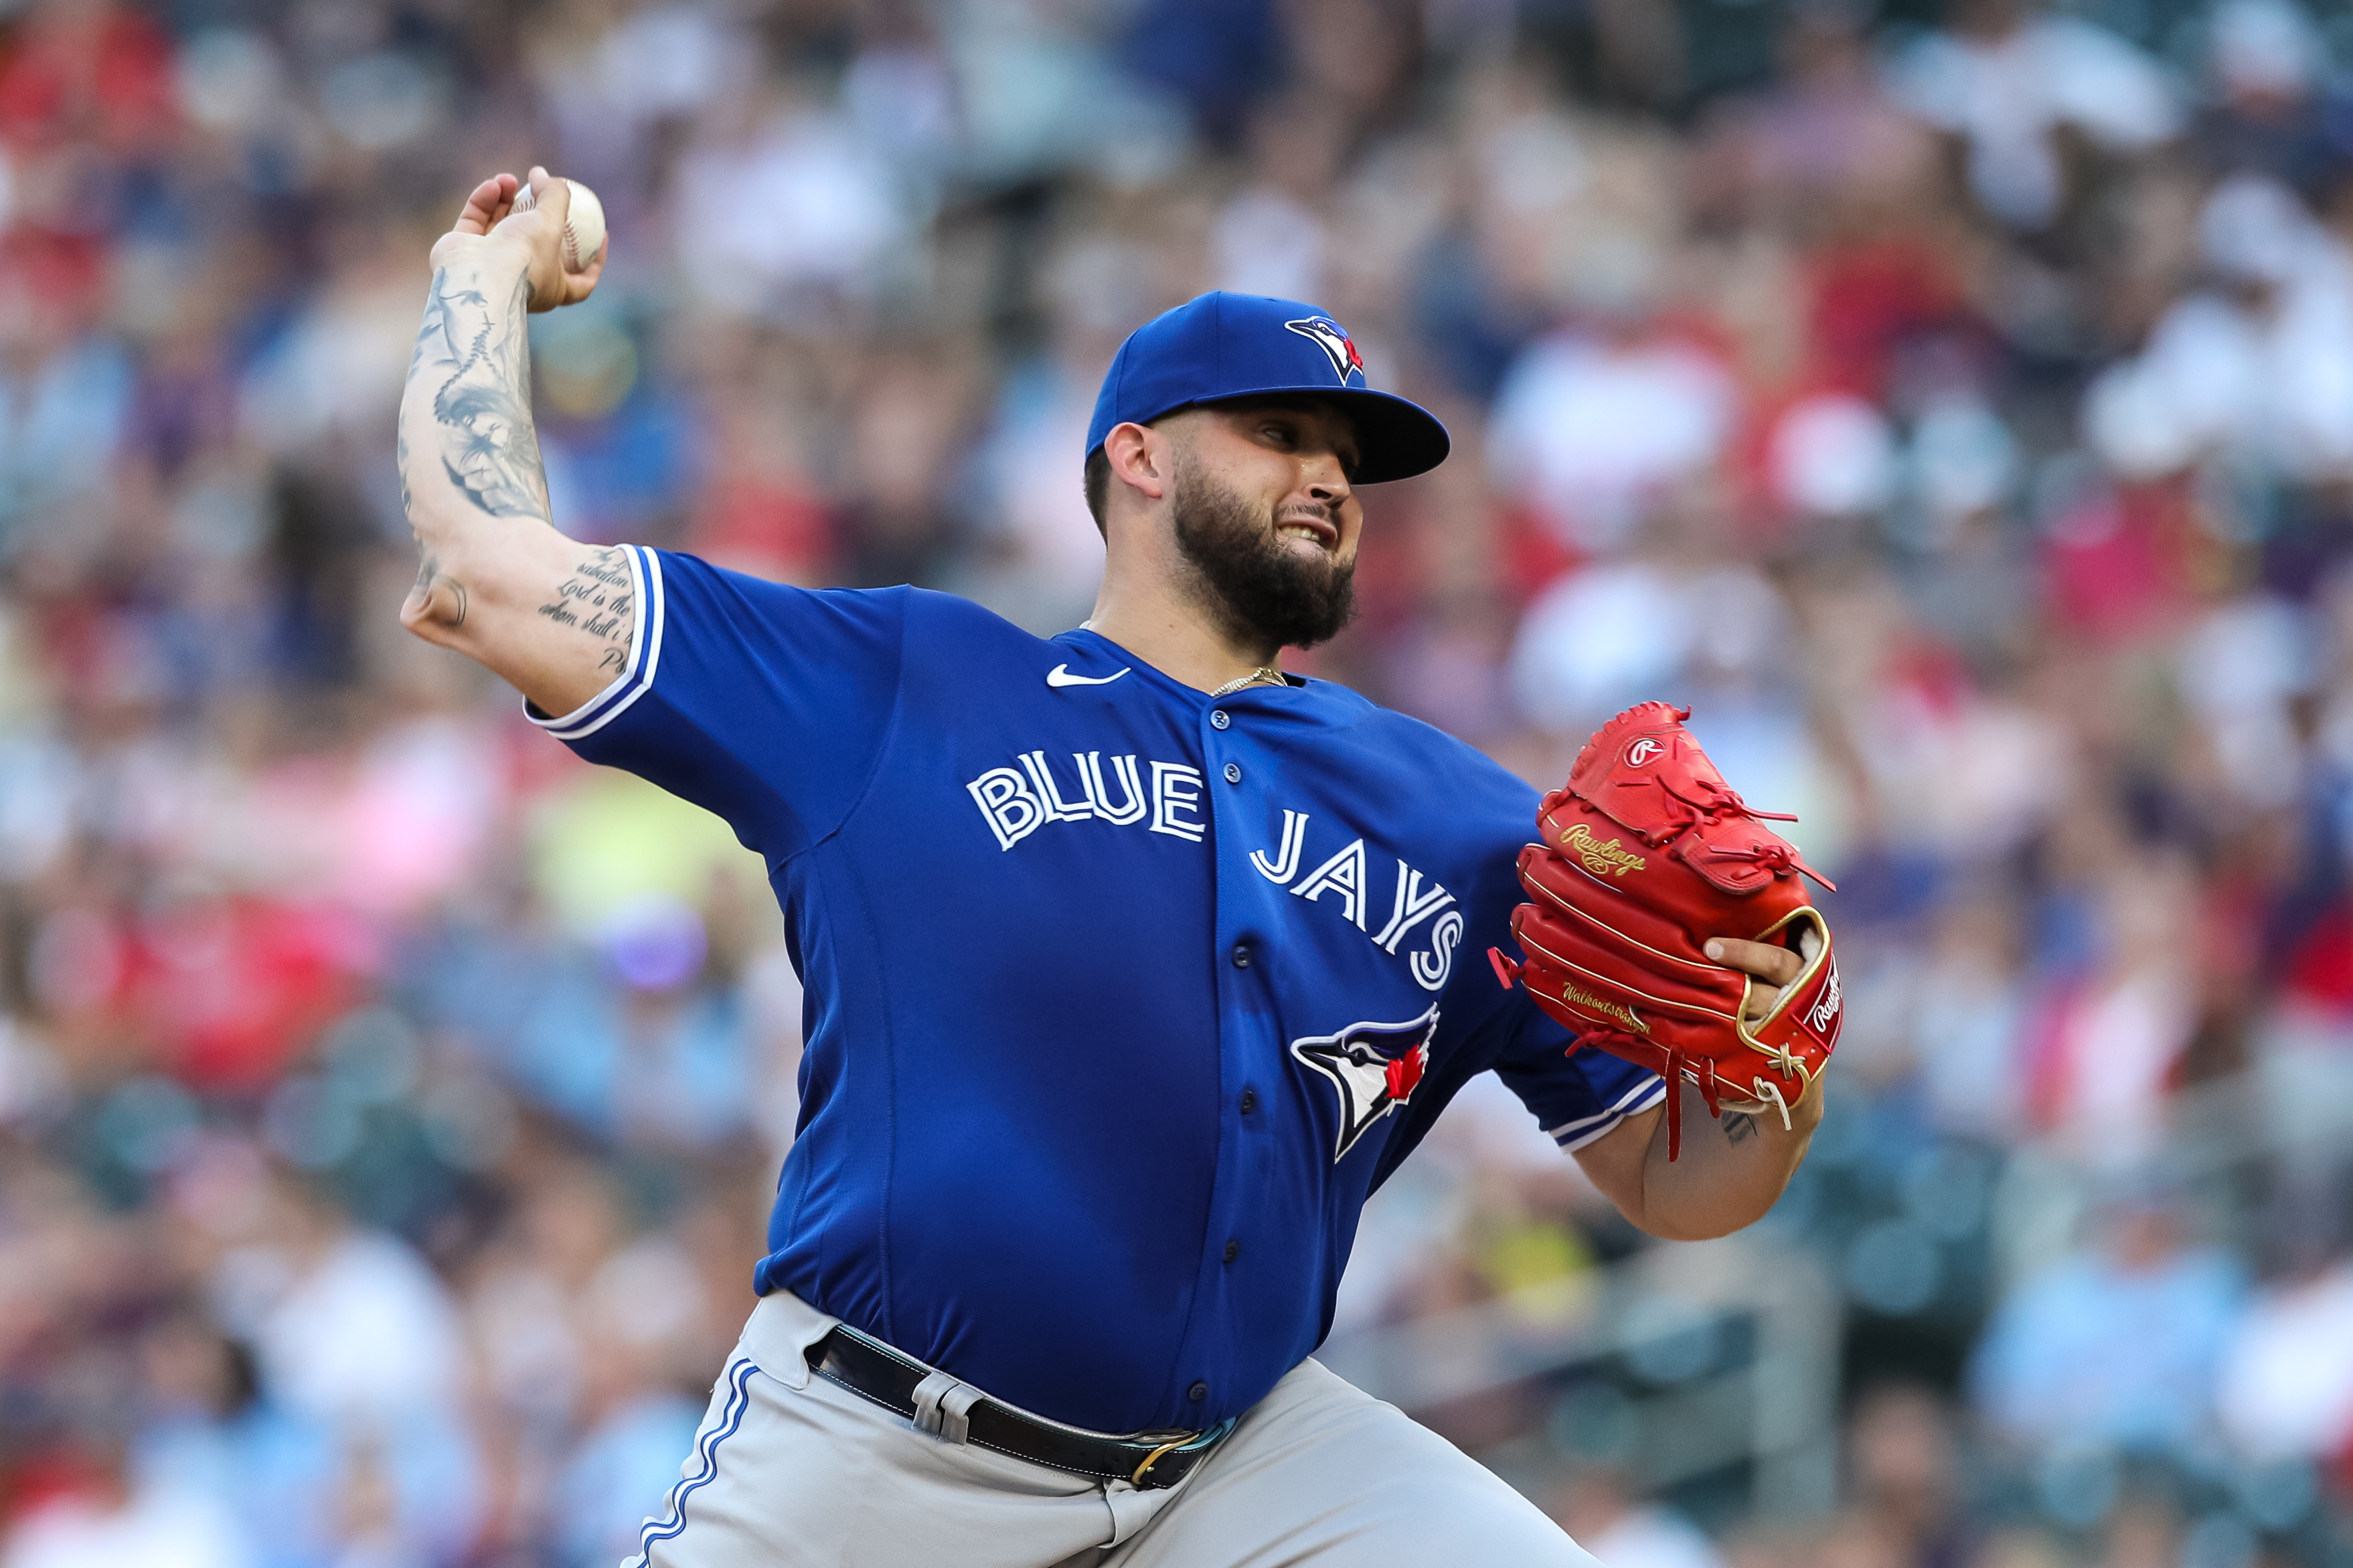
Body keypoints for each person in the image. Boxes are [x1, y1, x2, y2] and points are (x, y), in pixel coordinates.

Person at [396, 169, 1828, 1567]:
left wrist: (1774, 1077)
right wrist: (480, 280)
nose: (1328, 475)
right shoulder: (909, 683)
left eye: (1349, 458)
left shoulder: (1456, 817)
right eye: (1279, 431)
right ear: (1136, 455)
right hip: (886, 1453)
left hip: (1242, 1466)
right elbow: (483, 572)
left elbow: (1678, 1183)